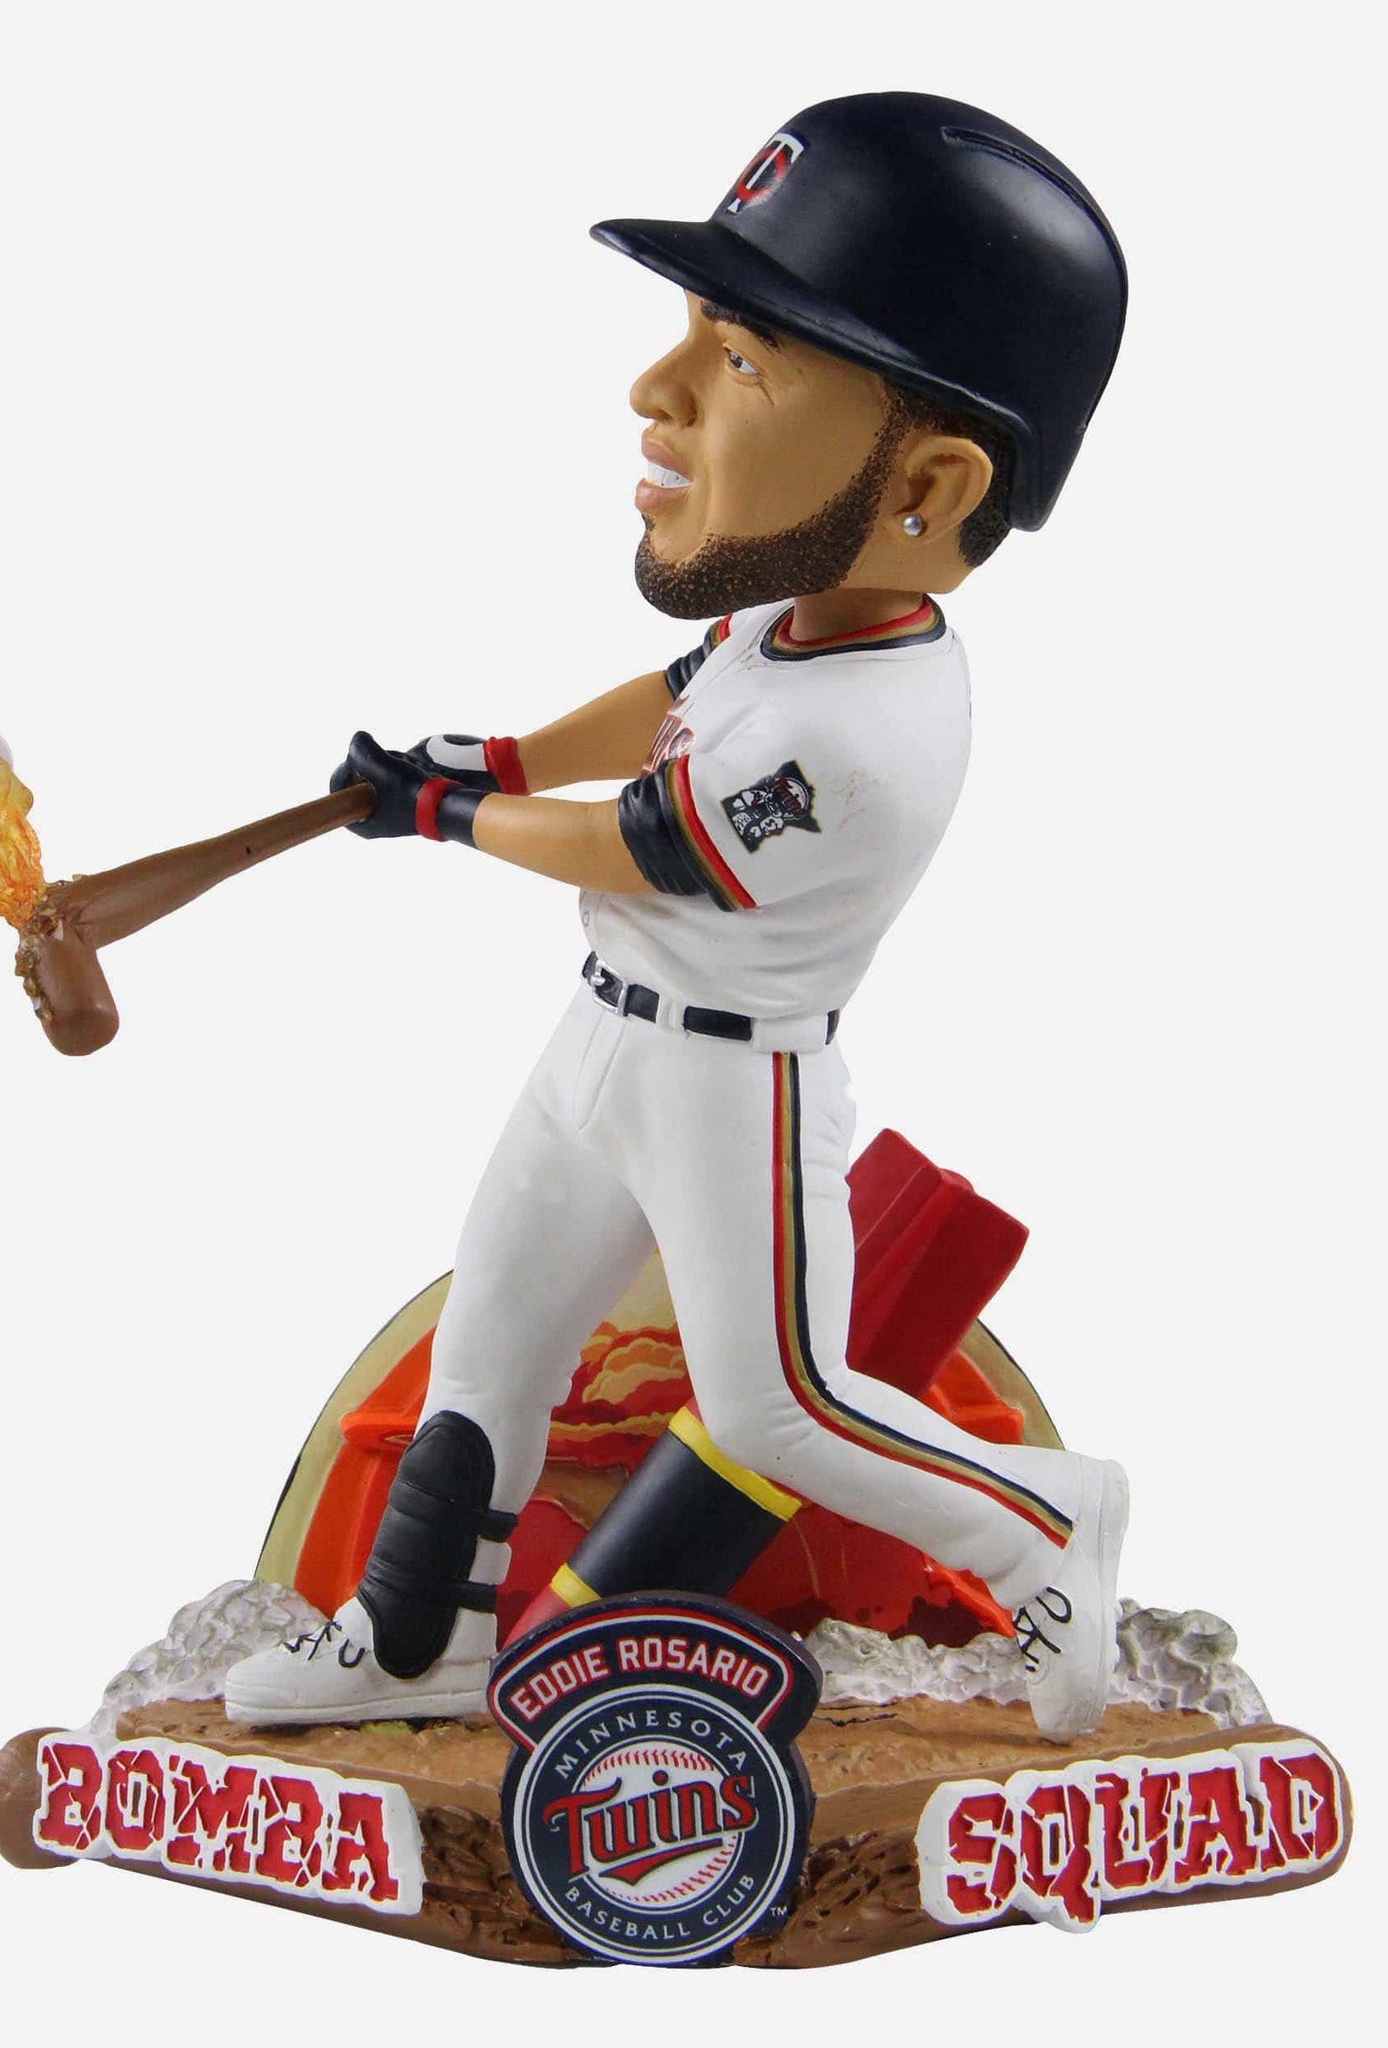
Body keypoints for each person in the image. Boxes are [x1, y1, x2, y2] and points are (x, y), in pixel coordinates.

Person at [226, 92, 1132, 1742]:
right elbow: (665, 698)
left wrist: (441, 813)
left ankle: (1048, 1526)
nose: (660, 390)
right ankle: (418, 1640)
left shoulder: (871, 725)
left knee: (779, 1411)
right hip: (603, 1043)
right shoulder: (797, 622)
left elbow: (634, 844)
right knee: (487, 1347)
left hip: (733, 1083)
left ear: (931, 481)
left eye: (743, 360)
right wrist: (490, 754)